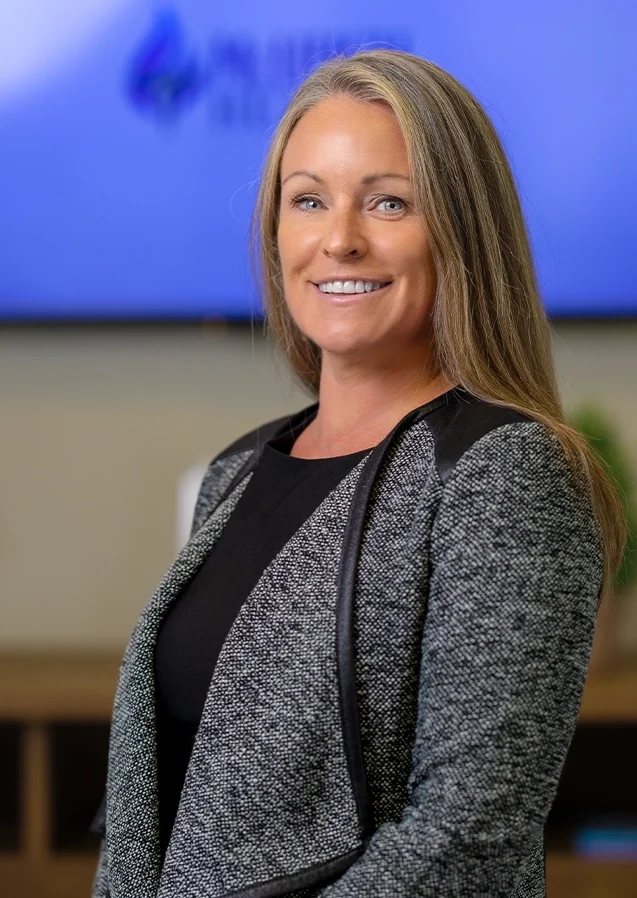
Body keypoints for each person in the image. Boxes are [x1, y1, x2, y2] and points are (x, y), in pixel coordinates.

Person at [91, 49, 626, 898]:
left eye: (387, 202)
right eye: (307, 200)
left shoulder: (504, 472)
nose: (338, 238)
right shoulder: (239, 469)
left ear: (460, 229)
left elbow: (469, 842)